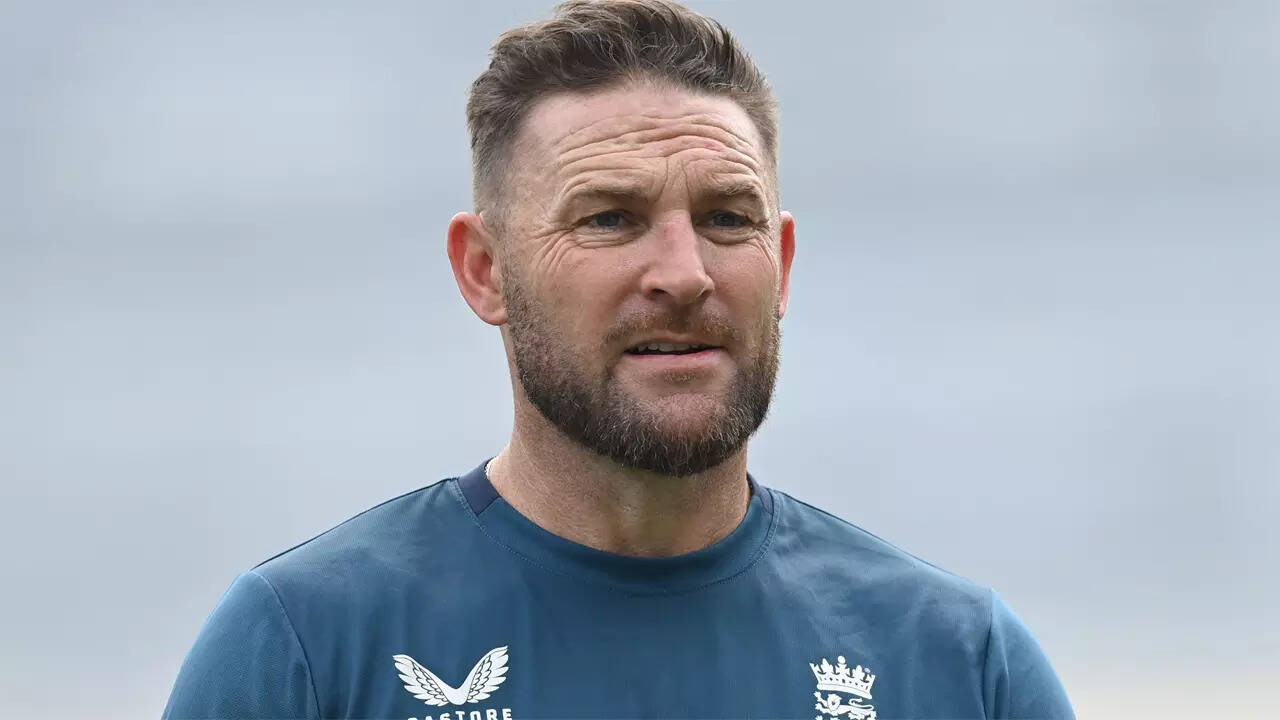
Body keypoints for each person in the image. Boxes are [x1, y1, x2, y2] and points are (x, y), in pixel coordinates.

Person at [163, 1, 1076, 718]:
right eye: (609, 218)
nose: (684, 274)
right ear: (486, 271)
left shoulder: (957, 665)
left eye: (728, 219)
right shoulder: (306, 650)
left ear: (784, 263)